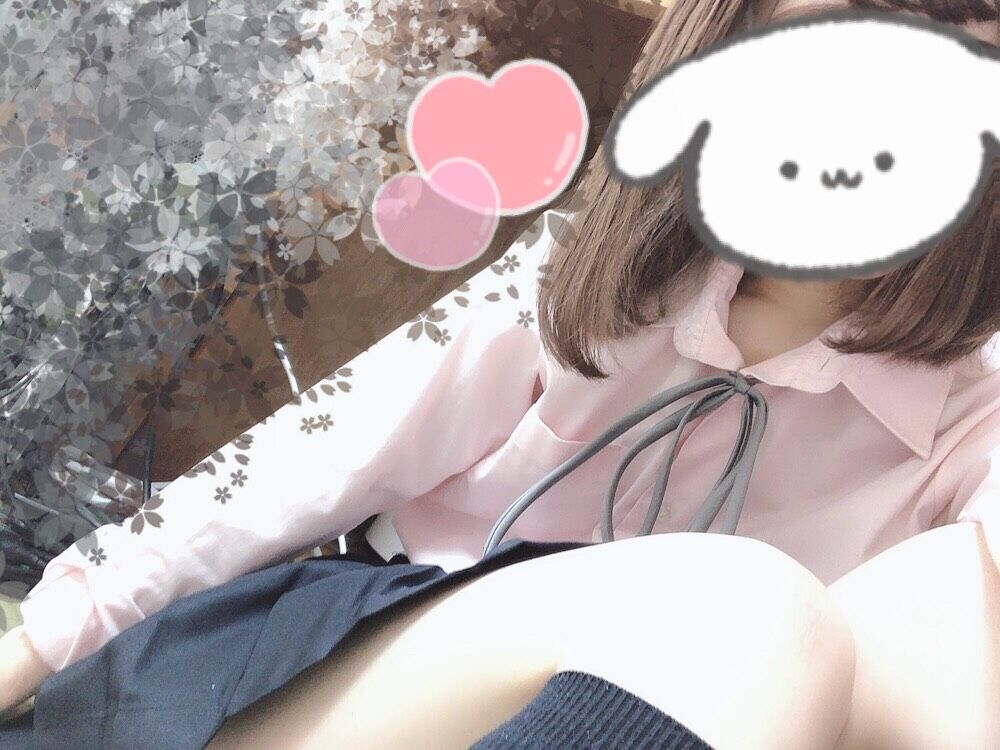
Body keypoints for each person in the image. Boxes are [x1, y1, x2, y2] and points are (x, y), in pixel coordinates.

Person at [1, 0, 998, 748]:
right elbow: (309, 462)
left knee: (911, 609)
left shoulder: (972, 422)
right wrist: (36, 648)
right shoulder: (576, 287)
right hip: (358, 665)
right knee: (746, 610)